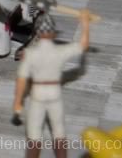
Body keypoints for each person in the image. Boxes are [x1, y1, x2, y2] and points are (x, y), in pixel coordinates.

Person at [13, 10, 91, 158]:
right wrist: (85, 23)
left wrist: (18, 102)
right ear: (53, 33)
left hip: (38, 94)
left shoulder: (30, 54)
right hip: (54, 93)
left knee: (34, 135)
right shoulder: (60, 51)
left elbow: (21, 80)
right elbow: (84, 45)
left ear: (37, 33)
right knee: (59, 132)